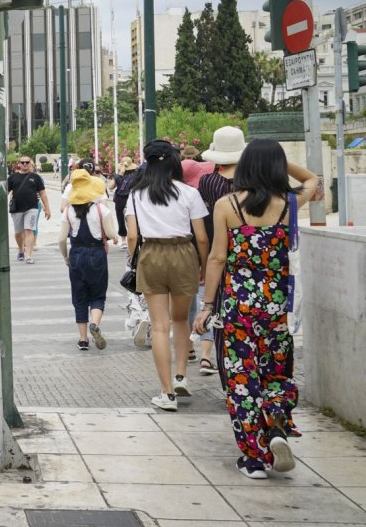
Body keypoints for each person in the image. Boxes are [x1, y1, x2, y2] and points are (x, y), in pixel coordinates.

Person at [195, 140, 317, 479]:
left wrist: (207, 305)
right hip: (277, 308)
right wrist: (281, 162)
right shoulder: (288, 203)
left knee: (242, 379)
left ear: (244, 166)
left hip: (238, 309)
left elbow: (217, 257)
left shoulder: (226, 205)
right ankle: (276, 427)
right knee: (276, 372)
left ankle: (254, 458)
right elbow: (312, 181)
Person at [125, 139, 210, 412]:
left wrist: (133, 260)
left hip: (151, 254)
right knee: (180, 318)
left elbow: (132, 236)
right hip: (184, 252)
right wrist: (203, 265)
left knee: (160, 325)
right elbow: (202, 237)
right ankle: (182, 375)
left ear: (147, 164)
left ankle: (167, 393)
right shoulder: (189, 193)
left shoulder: (136, 195)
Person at [194, 126, 248, 376]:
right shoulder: (252, 185)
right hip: (248, 256)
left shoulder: (207, 182)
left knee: (216, 309)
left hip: (218, 252)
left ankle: (225, 367)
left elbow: (203, 221)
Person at [59, 169, 116, 352]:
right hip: (96, 253)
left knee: (79, 297)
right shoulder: (101, 209)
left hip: (76, 254)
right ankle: (95, 323)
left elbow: (61, 239)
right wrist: (114, 237)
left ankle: (83, 339)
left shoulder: (67, 211)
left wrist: (66, 257)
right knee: (98, 295)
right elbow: (110, 233)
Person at [7, 156, 51, 264]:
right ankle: (21, 250)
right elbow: (6, 192)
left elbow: (43, 194)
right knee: (18, 233)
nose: (25, 164)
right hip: (17, 209)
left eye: (27, 162)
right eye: (23, 162)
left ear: (30, 163)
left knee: (29, 230)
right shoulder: (12, 178)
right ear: (19, 164)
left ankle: (28, 255)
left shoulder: (35, 177)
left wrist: (47, 208)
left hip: (32, 208)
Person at [113, 157, 139, 250]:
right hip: (132, 198)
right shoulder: (136, 175)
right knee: (133, 219)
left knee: (120, 219)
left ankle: (123, 240)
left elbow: (111, 186)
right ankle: (135, 238)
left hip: (120, 200)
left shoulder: (117, 176)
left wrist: (120, 174)